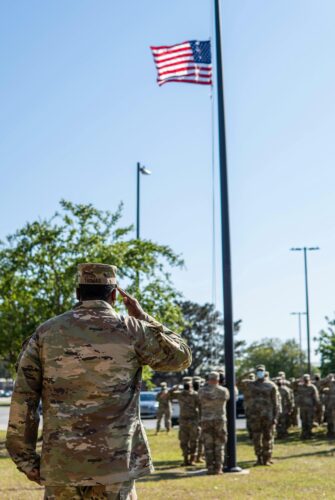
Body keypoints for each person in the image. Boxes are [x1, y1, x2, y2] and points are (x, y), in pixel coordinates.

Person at [6, 263, 192, 500]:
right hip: (115, 466)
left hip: (62, 466)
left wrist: (26, 459)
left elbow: (24, 398)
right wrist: (144, 317)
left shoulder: (46, 332)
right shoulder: (132, 328)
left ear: (78, 292)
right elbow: (181, 357)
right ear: (114, 294)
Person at [238, 365, 280, 466]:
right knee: (256, 438)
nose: (260, 373)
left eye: (261, 371)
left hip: (268, 416)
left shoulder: (271, 385)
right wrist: (248, 372)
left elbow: (276, 403)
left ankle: (267, 458)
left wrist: (276, 417)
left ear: (265, 372)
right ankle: (258, 458)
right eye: (258, 371)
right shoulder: (250, 384)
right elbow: (237, 382)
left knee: (268, 437)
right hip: (255, 416)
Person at [198, 371, 230, 475]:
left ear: (208, 379)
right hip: (219, 419)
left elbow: (199, 400)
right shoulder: (224, 391)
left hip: (206, 420)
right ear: (218, 379)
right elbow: (228, 398)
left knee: (208, 444)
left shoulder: (202, 391)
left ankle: (210, 468)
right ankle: (218, 468)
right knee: (219, 444)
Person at [169, 377, 200, 466]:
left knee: (194, 440)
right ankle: (185, 459)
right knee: (183, 441)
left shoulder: (195, 395)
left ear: (191, 384)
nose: (187, 385)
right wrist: (175, 387)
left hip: (193, 420)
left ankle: (192, 459)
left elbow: (200, 406)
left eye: (188, 383)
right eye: (185, 383)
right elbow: (169, 395)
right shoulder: (180, 394)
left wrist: (200, 419)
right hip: (183, 420)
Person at [294, 374, 319, 439]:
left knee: (309, 421)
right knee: (303, 420)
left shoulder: (312, 387)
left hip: (310, 407)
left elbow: (316, 397)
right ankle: (304, 433)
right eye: (304, 379)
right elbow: (293, 385)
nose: (306, 381)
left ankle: (309, 433)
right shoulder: (300, 387)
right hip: (302, 406)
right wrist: (298, 380)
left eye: (307, 379)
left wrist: (316, 406)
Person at [192, 376, 205, 463]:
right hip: (193, 419)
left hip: (201, 419)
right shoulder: (192, 394)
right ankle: (194, 456)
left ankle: (199, 456)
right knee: (194, 439)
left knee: (200, 439)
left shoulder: (201, 393)